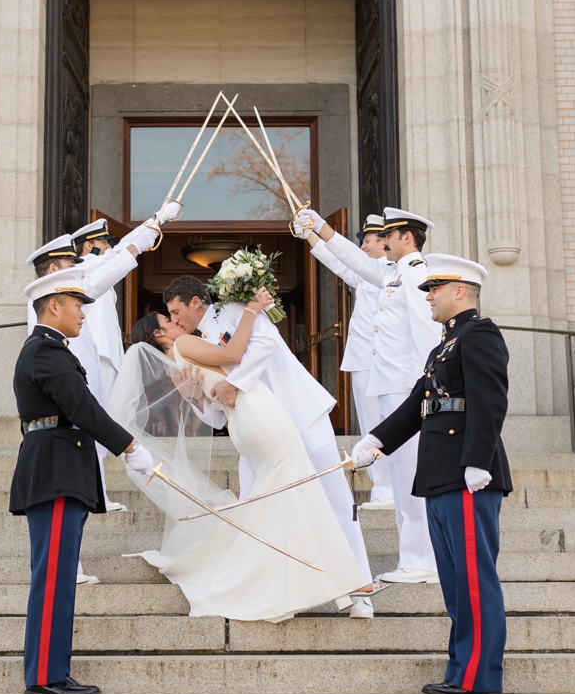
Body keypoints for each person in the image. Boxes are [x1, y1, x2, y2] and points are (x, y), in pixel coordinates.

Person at [113, 293, 372, 622]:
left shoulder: (191, 349)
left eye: (176, 313)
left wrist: (211, 387)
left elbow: (253, 356)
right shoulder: (187, 346)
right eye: (169, 319)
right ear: (159, 334)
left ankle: (316, 586)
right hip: (258, 417)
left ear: (196, 302)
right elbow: (233, 358)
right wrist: (252, 309)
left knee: (283, 500)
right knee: (297, 494)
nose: (175, 320)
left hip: (261, 417)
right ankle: (345, 583)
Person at [351, 254, 510, 694]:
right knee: (457, 583)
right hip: (440, 474)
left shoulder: (480, 334)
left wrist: (477, 459)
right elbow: (416, 406)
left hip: (467, 473)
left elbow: (490, 400)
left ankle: (480, 678)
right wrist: (376, 443)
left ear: (460, 291)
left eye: (435, 290)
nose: (428, 298)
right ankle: (461, 671)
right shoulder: (443, 345)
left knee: (474, 579)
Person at [10, 266, 156, 694]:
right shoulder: (45, 352)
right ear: (53, 306)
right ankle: (42, 676)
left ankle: (54, 670)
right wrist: (129, 447)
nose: (84, 315)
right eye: (77, 306)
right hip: (55, 473)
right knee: (53, 577)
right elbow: (83, 408)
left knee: (58, 578)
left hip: (61, 470)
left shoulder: (53, 351)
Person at [25, 204, 180, 578]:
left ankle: (69, 565)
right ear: (52, 277)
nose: (78, 271)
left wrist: (150, 228)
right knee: (60, 525)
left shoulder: (60, 317)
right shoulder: (47, 337)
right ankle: (67, 567)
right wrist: (130, 447)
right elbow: (82, 408)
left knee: (73, 511)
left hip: (73, 429)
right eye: (69, 267)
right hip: (60, 436)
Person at [296, 207, 444, 584]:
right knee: (399, 473)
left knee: (411, 476)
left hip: (407, 388)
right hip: (390, 386)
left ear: (406, 238)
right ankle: (413, 557)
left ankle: (422, 560)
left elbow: (427, 336)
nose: (383, 242)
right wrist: (320, 229)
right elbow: (353, 261)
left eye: (389, 236)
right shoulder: (393, 273)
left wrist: (422, 388)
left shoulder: (416, 276)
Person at [307, 212, 394, 509]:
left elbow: (350, 259)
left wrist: (320, 228)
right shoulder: (366, 269)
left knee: (389, 422)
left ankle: (394, 485)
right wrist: (309, 234)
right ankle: (381, 486)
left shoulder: (392, 270)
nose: (364, 247)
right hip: (361, 359)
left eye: (368, 241)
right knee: (370, 423)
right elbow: (338, 262)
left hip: (386, 359)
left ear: (385, 243)